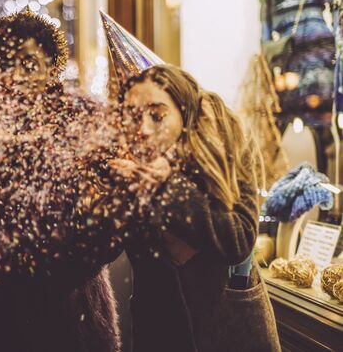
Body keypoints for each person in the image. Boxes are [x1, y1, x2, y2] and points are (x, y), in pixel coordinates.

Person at [0, 9, 121, 352]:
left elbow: (109, 219)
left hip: (71, 311)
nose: (16, 75)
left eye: (28, 63)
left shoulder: (84, 122)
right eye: (5, 63)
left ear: (52, 66)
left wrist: (58, 276)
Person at [110, 64, 280, 352]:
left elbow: (238, 240)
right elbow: (111, 249)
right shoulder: (131, 164)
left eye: (157, 114)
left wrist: (167, 187)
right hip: (162, 331)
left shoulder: (225, 149)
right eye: (133, 117)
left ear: (185, 111)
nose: (144, 129)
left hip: (230, 327)